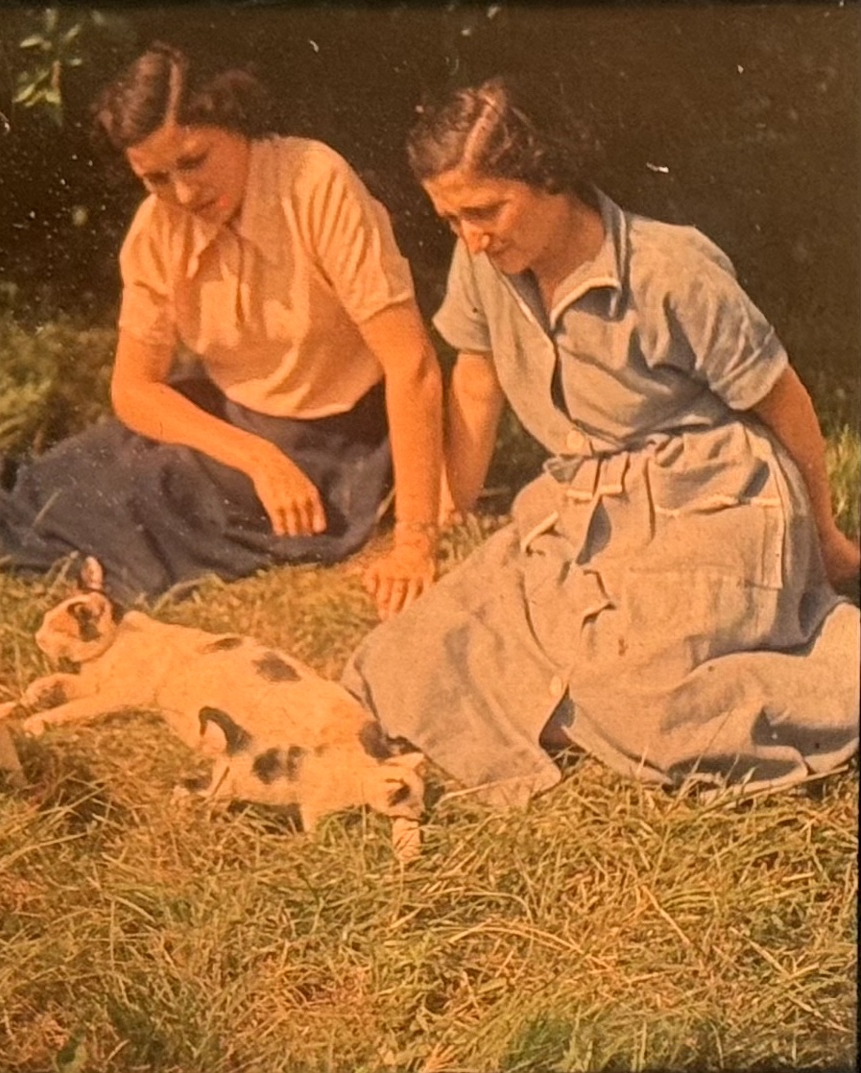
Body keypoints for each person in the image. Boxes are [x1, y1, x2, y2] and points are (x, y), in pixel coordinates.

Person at [342, 75, 860, 806]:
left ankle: (839, 660)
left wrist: (826, 532)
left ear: (549, 173)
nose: (472, 237)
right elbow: (478, 388)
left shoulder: (671, 269)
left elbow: (787, 402)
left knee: (654, 704)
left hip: (708, 499)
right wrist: (430, 524)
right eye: (452, 220)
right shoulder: (485, 266)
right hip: (581, 508)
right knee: (407, 659)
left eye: (485, 210)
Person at [0, 42, 442, 618]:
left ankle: (116, 560)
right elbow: (133, 388)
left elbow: (411, 365)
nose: (185, 195)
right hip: (239, 416)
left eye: (194, 160)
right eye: (156, 178)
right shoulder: (157, 229)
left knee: (154, 488)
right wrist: (256, 458)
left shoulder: (314, 182)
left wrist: (416, 540)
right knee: (55, 478)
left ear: (236, 122)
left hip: (339, 436)